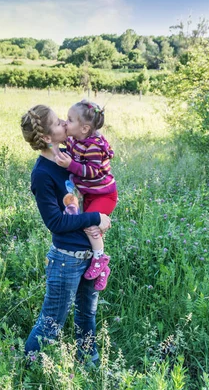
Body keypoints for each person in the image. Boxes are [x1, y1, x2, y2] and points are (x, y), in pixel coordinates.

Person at [20, 104, 112, 364]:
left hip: (89, 256)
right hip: (66, 259)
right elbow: (57, 222)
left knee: (87, 314)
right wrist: (96, 218)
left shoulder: (70, 161)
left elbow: (96, 180)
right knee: (52, 322)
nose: (65, 123)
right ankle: (27, 369)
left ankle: (89, 361)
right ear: (48, 137)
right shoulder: (42, 174)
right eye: (59, 122)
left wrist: (102, 216)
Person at [54, 100, 117, 291]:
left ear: (85, 128)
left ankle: (101, 260)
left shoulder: (94, 146)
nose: (66, 123)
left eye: (69, 120)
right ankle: (97, 263)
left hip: (104, 195)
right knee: (86, 227)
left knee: (90, 225)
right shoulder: (76, 139)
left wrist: (70, 166)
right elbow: (61, 139)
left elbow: (92, 172)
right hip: (90, 194)